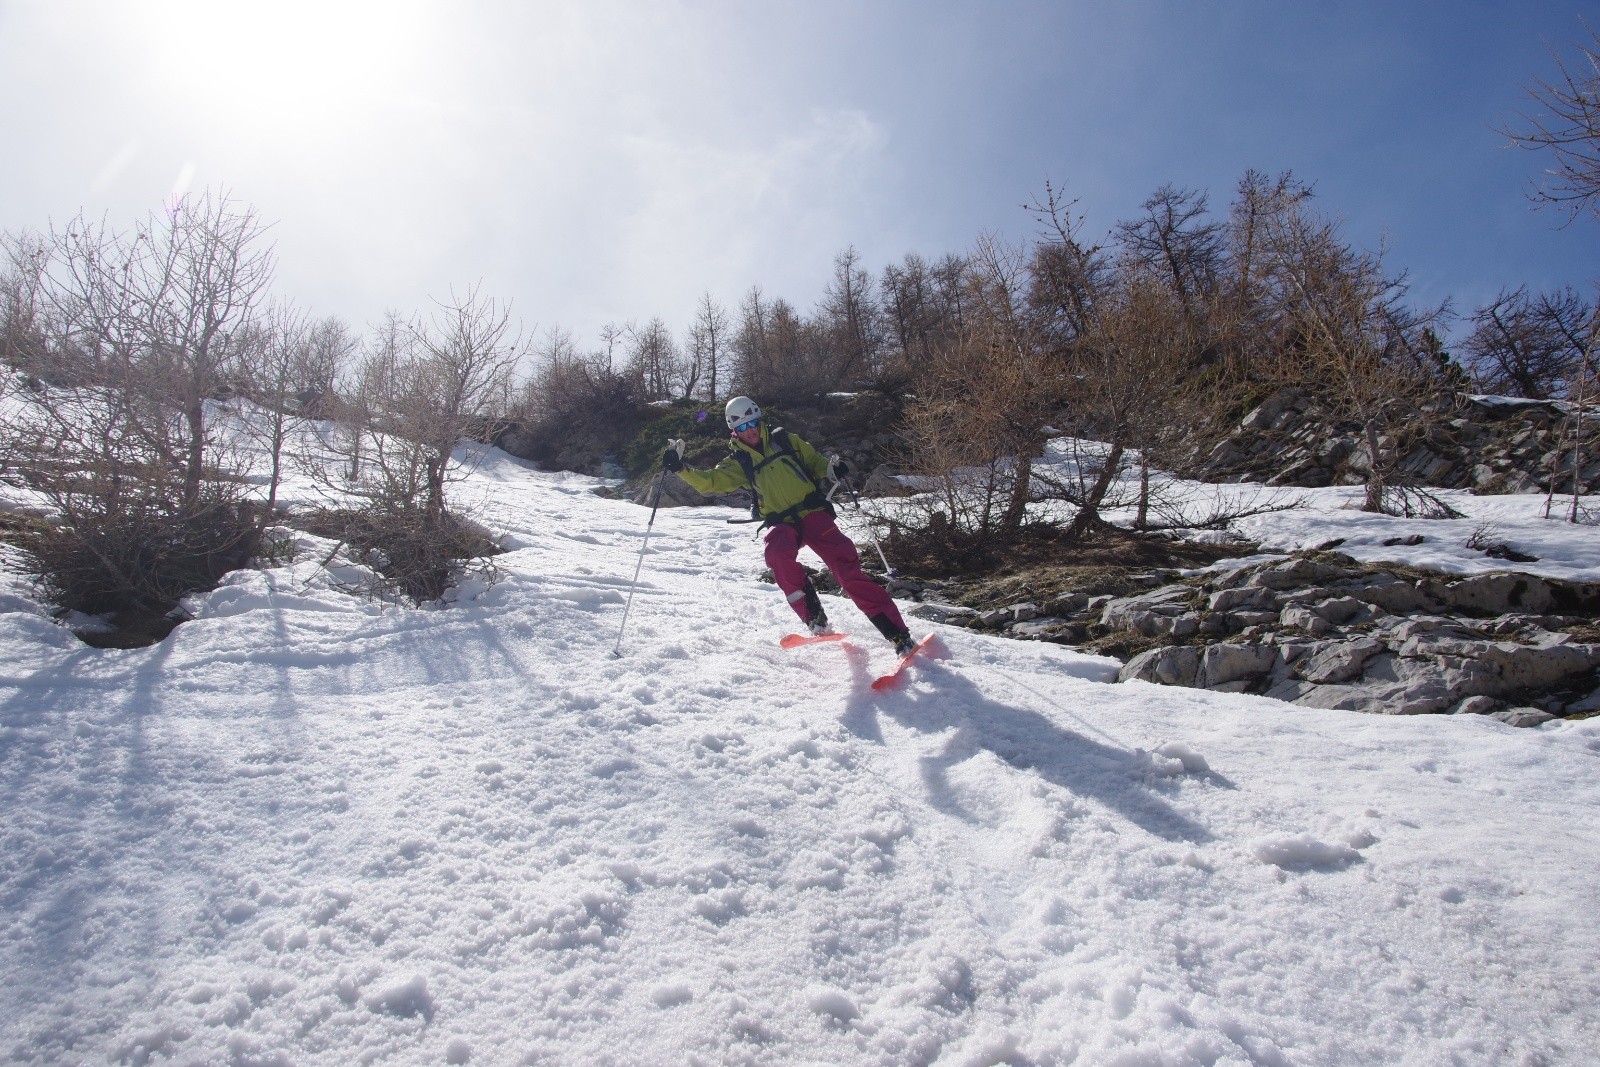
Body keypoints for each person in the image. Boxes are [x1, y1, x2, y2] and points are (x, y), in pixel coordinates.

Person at [663, 396, 916, 655]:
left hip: (813, 513)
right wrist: (681, 468)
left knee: (846, 568)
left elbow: (817, 464)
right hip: (781, 521)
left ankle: (899, 635)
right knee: (776, 554)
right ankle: (815, 619)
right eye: (741, 427)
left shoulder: (786, 440)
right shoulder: (739, 461)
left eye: (751, 423)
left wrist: (833, 469)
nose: (749, 431)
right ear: (733, 430)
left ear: (758, 419)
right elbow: (710, 482)